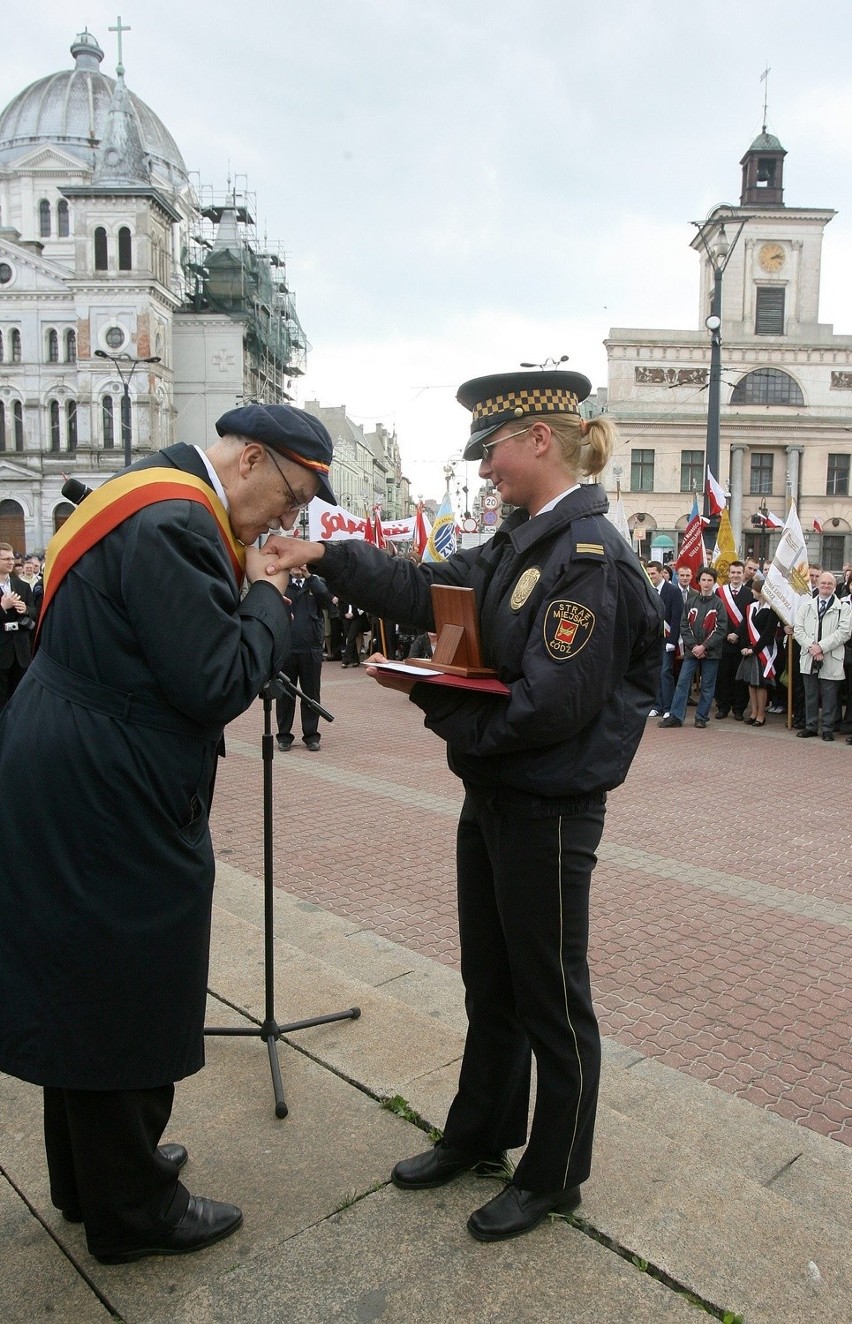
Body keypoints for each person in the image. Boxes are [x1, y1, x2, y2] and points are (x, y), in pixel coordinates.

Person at [264, 368, 663, 1242]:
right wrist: (327, 555)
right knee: (493, 983)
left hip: (549, 808)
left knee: (553, 999)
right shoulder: (524, 539)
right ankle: (481, 1133)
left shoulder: (586, 555)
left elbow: (551, 706)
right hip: (500, 797)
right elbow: (431, 587)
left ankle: (555, 1173)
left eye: (491, 451)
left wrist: (439, 707)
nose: (484, 469)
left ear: (539, 441)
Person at [0, 402, 336, 1265]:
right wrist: (266, 594)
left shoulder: (155, 490)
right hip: (109, 782)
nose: (286, 522)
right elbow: (218, 679)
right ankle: (135, 1209)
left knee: (85, 978)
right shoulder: (180, 520)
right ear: (253, 460)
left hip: (77, 760)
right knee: (125, 982)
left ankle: (95, 1176)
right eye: (291, 499)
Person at [659, 566, 727, 728]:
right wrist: (694, 646)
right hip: (692, 651)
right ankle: (676, 716)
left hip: (711, 652)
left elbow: (721, 629)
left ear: (714, 582)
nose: (706, 583)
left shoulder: (719, 604)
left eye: (709, 580)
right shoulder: (691, 602)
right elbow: (684, 625)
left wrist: (704, 647)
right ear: (698, 581)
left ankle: (701, 717)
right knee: (683, 682)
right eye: (703, 580)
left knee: (707, 686)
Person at [275, 563, 333, 752]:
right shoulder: (283, 584)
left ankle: (311, 736)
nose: (298, 567)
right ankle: (284, 735)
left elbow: (326, 600)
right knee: (285, 694)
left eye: (301, 563)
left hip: (311, 650)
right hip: (287, 648)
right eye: (294, 564)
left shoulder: (314, 584)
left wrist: (309, 576)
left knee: (311, 694)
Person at [793, 569, 852, 741]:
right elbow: (798, 629)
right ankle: (810, 726)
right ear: (817, 585)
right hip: (809, 655)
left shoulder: (844, 608)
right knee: (810, 693)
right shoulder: (806, 606)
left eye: (830, 584)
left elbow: (844, 632)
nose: (826, 586)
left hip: (830, 656)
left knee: (829, 695)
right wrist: (811, 647)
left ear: (835, 587)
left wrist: (821, 647)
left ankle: (827, 728)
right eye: (823, 583)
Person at [734, 575, 779, 726]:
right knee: (750, 682)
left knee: (760, 683)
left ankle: (761, 714)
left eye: (754, 589)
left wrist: (754, 649)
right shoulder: (752, 606)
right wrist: (745, 647)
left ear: (761, 591)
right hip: (749, 650)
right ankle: (753, 712)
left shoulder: (772, 609)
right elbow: (746, 627)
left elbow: (768, 633)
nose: (752, 591)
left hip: (762, 651)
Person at [0, 541, 37, 708]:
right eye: (5, 559)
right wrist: (3, 607)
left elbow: (35, 612)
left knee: (20, 701)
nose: (10, 562)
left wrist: (26, 610)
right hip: (2, 651)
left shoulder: (22, 586)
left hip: (21, 652)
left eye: (12, 558)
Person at [714, 560, 752, 721]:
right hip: (723, 641)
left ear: (743, 575)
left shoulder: (749, 593)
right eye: (733, 572)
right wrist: (727, 633)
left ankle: (739, 709)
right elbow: (717, 616)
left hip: (741, 642)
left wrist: (737, 634)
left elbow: (749, 618)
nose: (736, 576)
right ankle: (723, 707)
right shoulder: (720, 592)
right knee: (723, 676)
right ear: (728, 574)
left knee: (739, 677)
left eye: (739, 573)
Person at [645, 560, 682, 718]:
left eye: (653, 573)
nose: (651, 576)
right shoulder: (647, 590)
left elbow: (676, 618)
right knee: (654, 673)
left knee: (665, 673)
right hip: (652, 641)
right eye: (649, 573)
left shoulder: (673, 591)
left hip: (667, 640)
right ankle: (657, 705)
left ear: (662, 573)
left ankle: (668, 707)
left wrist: (672, 641)